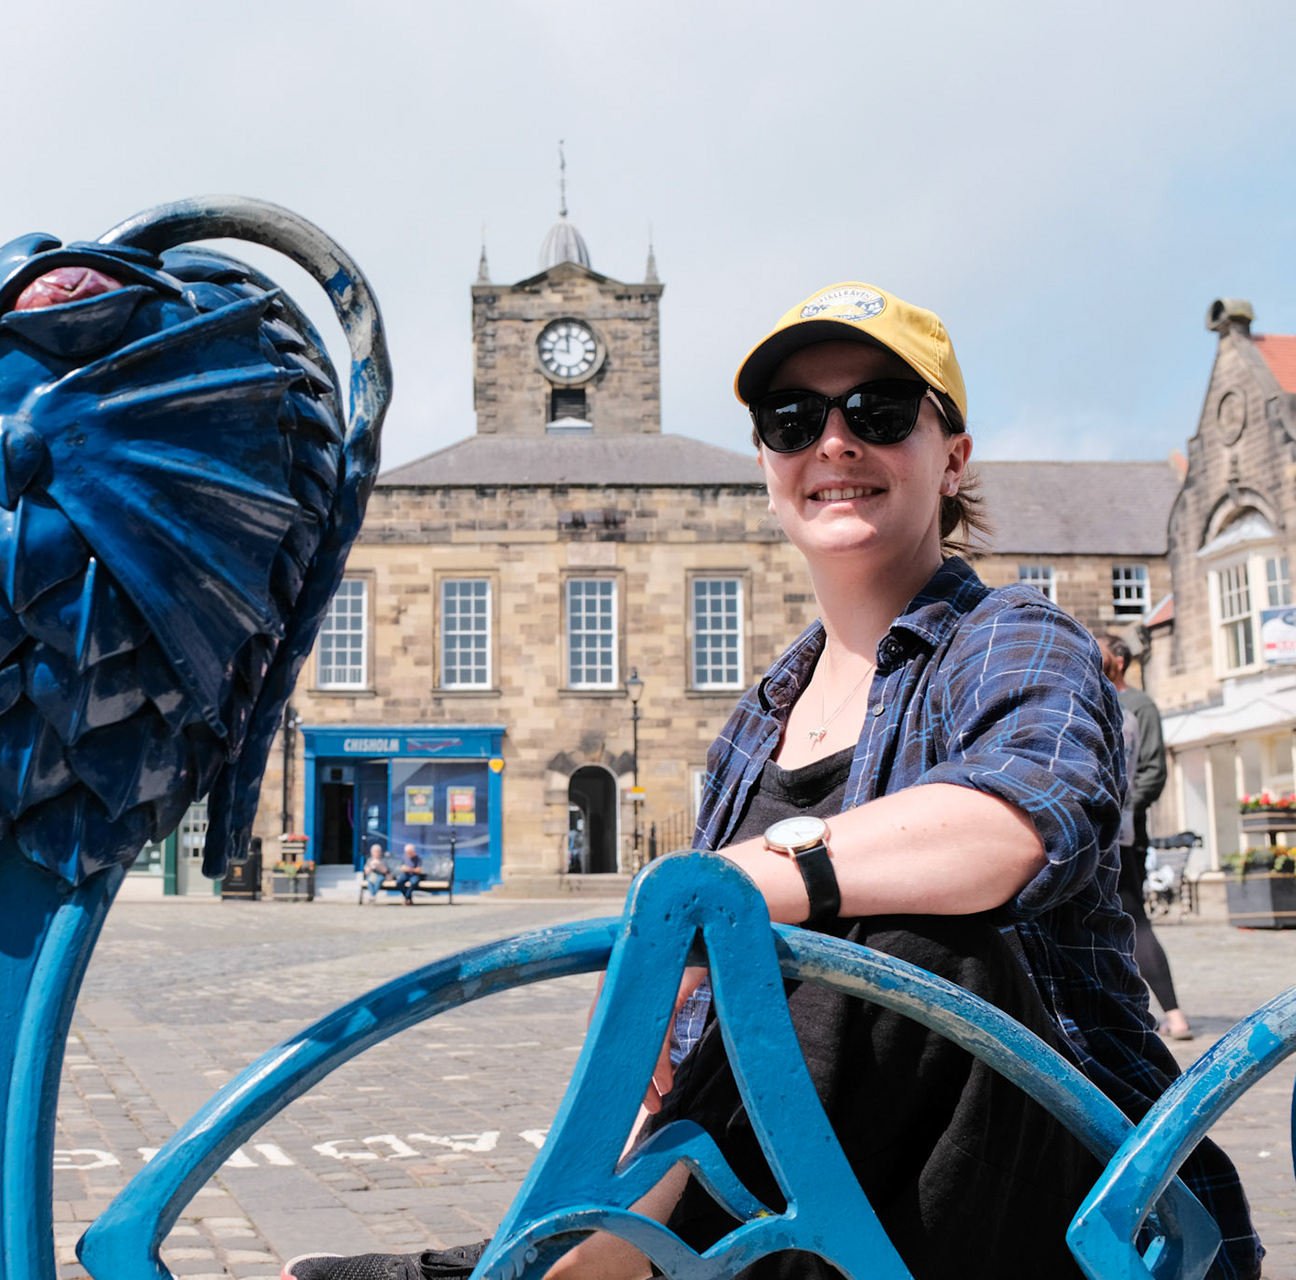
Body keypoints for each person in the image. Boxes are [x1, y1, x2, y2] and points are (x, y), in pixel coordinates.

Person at [282, 283, 1259, 1280]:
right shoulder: (756, 725)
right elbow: (715, 1058)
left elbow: (1014, 825)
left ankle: (601, 1261)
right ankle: (588, 1245)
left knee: (905, 938)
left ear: (953, 457)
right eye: (793, 419)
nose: (834, 442)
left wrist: (728, 885)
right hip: (826, 1208)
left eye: (880, 411)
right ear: (765, 466)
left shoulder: (1013, 636)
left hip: (1067, 1196)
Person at [1101, 634, 1191, 1039]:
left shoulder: (1138, 706)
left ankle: (1169, 1014)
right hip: (1115, 829)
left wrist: (1128, 810)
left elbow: (1153, 771)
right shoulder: (1126, 715)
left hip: (1118, 833)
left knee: (1131, 920)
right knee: (1129, 922)